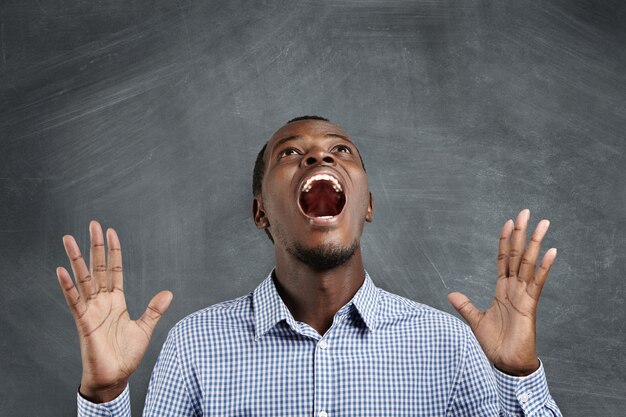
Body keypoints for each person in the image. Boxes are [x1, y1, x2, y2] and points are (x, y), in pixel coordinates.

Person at [57, 116, 562, 416]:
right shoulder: (195, 347)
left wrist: (519, 375)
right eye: (292, 152)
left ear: (366, 205)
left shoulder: (447, 346)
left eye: (340, 151)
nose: (319, 159)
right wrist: (104, 395)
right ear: (261, 212)